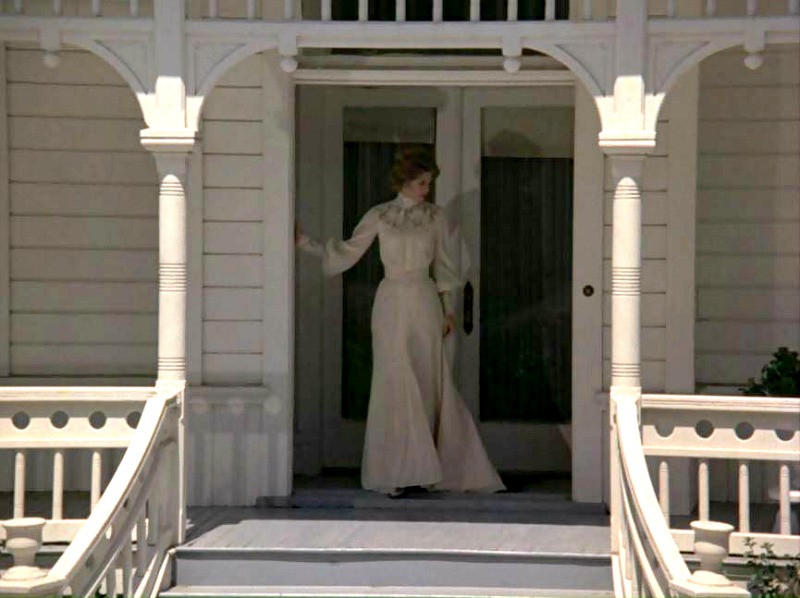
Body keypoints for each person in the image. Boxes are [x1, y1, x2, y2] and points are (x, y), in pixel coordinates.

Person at [296, 146, 504, 497]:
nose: (427, 190)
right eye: (422, 183)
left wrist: (449, 309)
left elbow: (447, 267)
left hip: (424, 300)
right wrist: (305, 243)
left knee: (426, 381)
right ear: (405, 182)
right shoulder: (380, 215)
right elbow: (347, 251)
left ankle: (426, 470)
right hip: (391, 300)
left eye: (428, 183)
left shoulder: (436, 217)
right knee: (394, 379)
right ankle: (394, 470)